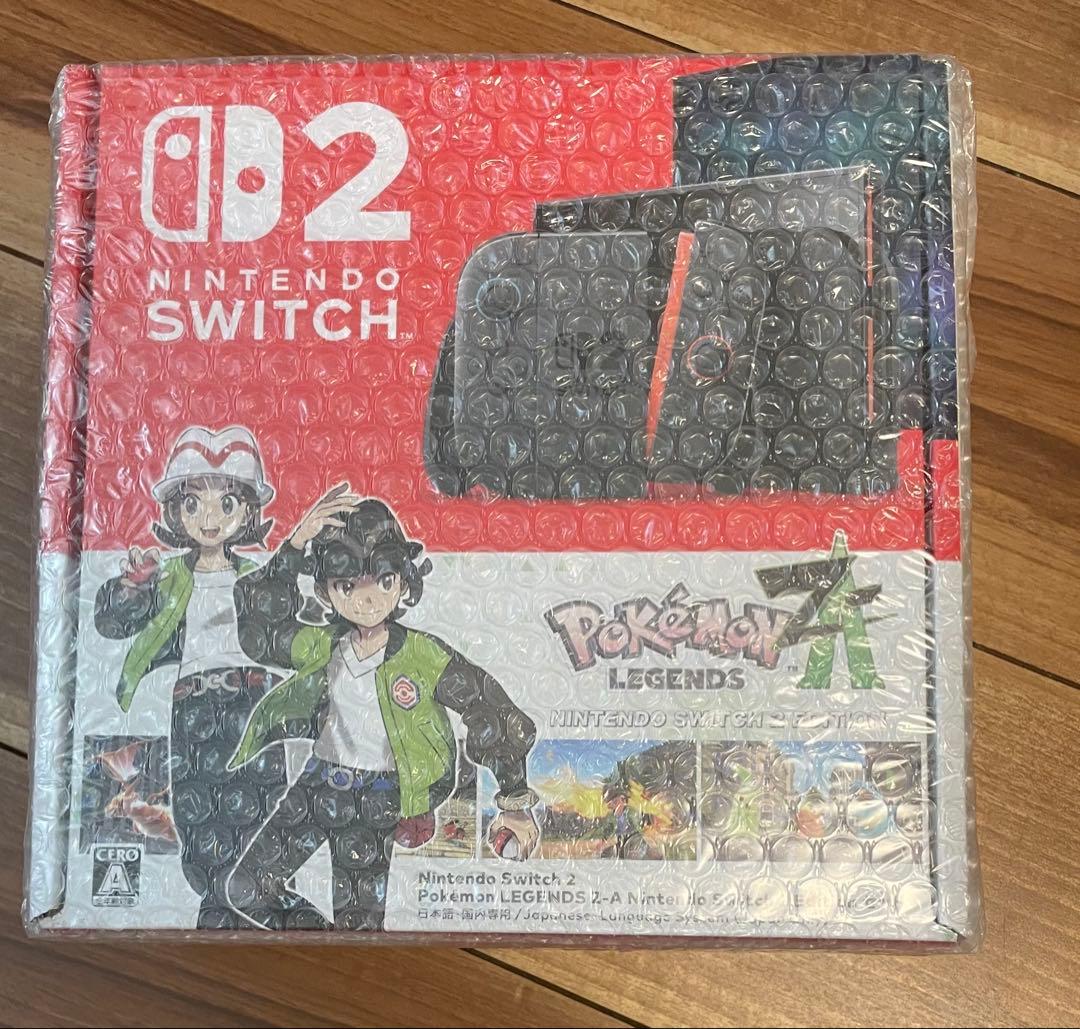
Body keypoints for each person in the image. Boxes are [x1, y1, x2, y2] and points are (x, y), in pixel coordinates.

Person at [225, 488, 540, 930]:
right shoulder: (323, 646)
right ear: (326, 591)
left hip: (379, 798)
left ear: (403, 582)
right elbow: (262, 631)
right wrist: (294, 546)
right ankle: (323, 945)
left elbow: (490, 710)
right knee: (248, 886)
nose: (367, 600)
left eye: (384, 581)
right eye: (347, 586)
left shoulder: (423, 655)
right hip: (317, 786)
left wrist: (513, 800)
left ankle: (341, 950)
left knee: (358, 926)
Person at [94, 425, 286, 928]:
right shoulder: (170, 576)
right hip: (193, 703)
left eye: (227, 504)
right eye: (193, 503)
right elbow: (113, 624)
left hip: (253, 700)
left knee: (261, 812)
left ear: (247, 512)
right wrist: (131, 588)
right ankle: (216, 909)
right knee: (198, 818)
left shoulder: (257, 577)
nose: (210, 519)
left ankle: (247, 907)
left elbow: (292, 632)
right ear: (175, 512)